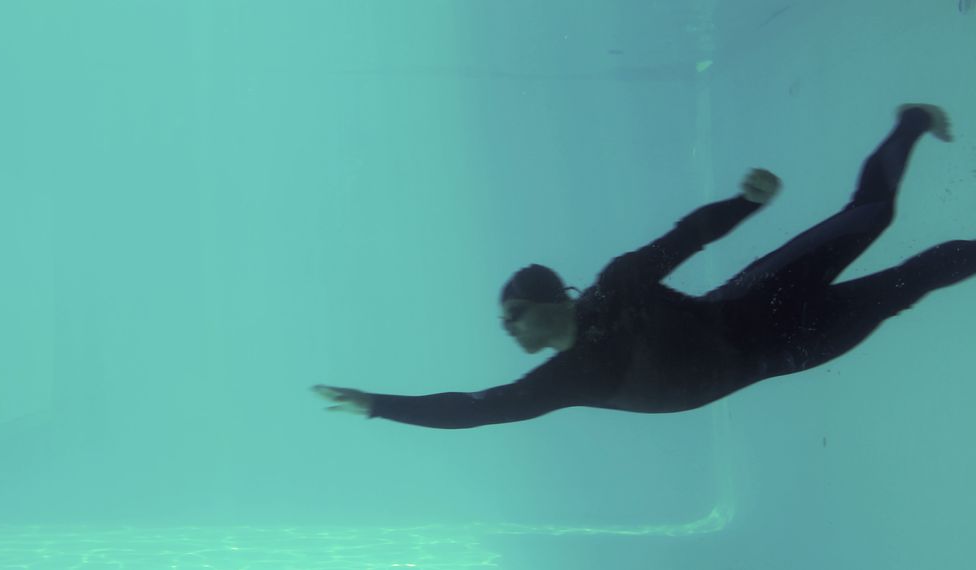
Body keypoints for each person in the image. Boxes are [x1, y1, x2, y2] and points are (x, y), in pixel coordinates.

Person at [314, 104, 973, 429]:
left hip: (760, 297)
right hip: (787, 349)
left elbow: (683, 240)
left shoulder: (617, 287)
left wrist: (745, 204)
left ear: (549, 300)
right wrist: (378, 405)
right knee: (906, 285)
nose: (506, 328)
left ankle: (910, 122)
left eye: (512, 314)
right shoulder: (564, 379)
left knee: (871, 216)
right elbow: (474, 409)